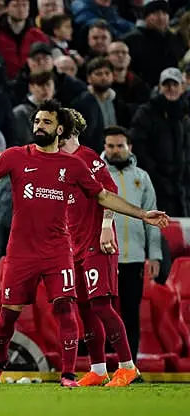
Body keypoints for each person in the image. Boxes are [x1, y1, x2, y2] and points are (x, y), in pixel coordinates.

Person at [0, 99, 169, 387]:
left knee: (67, 308)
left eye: (46, 122)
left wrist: (140, 215)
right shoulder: (15, 156)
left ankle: (69, 374)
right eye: (37, 121)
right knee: (7, 317)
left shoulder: (74, 165)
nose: (39, 126)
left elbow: (103, 196)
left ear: (60, 128)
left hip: (58, 250)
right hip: (22, 252)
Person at [59, 109, 139, 387]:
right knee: (84, 308)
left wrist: (106, 225)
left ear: (65, 130)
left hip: (97, 243)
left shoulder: (88, 158)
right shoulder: (58, 163)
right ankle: (98, 369)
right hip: (74, 247)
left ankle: (128, 366)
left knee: (101, 305)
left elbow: (109, 190)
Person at [101, 125, 162, 362]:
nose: (115, 151)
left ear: (130, 147)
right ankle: (102, 366)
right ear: (104, 147)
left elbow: (152, 218)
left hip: (133, 257)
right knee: (102, 313)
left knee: (130, 315)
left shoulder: (142, 178)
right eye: (110, 146)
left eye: (120, 146)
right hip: (103, 255)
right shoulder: (93, 173)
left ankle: (130, 366)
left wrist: (154, 255)